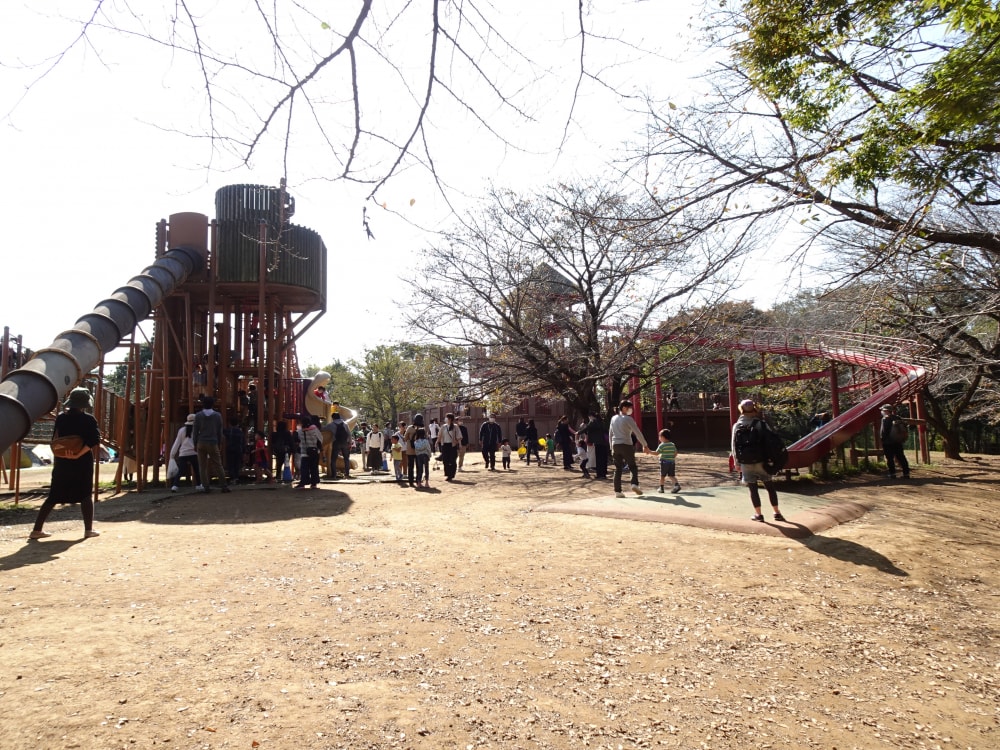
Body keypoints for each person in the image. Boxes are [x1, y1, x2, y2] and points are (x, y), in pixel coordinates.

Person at [29, 387, 102, 540]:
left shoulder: (61, 417)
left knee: (53, 495)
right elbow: (93, 440)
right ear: (85, 404)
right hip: (82, 461)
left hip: (62, 460)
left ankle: (37, 530)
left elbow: (56, 438)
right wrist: (77, 454)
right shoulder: (89, 419)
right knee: (85, 494)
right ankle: (88, 529)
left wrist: (65, 454)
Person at [731, 399, 786, 522]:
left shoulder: (737, 426)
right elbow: (770, 442)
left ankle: (758, 515)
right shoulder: (761, 424)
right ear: (754, 409)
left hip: (746, 462)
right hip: (761, 461)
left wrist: (736, 462)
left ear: (741, 409)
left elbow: (734, 445)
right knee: (770, 486)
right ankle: (777, 512)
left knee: (753, 488)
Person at [609, 400, 654, 497]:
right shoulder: (628, 419)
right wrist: (645, 445)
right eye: (629, 408)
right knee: (632, 466)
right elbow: (637, 432)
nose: (631, 410)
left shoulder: (613, 418)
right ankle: (634, 484)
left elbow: (610, 434)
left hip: (615, 445)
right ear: (624, 408)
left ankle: (618, 491)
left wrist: (611, 447)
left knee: (618, 469)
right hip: (626, 444)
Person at [194, 396, 231, 493]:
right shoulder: (217, 416)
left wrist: (195, 443)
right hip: (213, 442)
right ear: (212, 404)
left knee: (202, 466)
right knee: (218, 464)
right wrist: (219, 443)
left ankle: (206, 487)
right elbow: (219, 431)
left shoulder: (198, 416)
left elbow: (195, 431)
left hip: (201, 442)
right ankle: (224, 485)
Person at [169, 413, 204, 492]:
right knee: (197, 470)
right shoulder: (198, 430)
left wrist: (172, 454)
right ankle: (199, 485)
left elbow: (177, 443)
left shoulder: (181, 430)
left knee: (181, 470)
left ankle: (175, 485)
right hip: (194, 453)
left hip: (183, 453)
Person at [879, 404, 911, 480]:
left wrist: (882, 439)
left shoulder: (885, 419)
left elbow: (884, 431)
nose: (882, 412)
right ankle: (906, 473)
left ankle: (892, 473)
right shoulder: (897, 418)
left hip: (888, 442)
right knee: (901, 457)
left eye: (883, 410)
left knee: (889, 458)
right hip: (898, 441)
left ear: (886, 411)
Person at [296, 415, 321, 489]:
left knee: (304, 468)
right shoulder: (315, 429)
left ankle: (303, 483)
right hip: (314, 451)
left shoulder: (300, 431)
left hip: (304, 452)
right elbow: (320, 438)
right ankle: (314, 484)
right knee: (314, 468)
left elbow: (299, 440)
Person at [325, 412, 352, 479]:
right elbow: (349, 434)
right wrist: (350, 443)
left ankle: (334, 475)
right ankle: (347, 474)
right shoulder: (345, 424)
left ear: (333, 418)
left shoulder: (331, 425)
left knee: (333, 459)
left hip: (336, 442)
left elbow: (323, 429)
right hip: (345, 442)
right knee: (346, 459)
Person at [655, 428, 681, 494]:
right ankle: (676, 485)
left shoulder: (662, 445)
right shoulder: (672, 444)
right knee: (671, 475)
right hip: (672, 462)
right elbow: (676, 453)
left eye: (659, 436)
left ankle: (661, 488)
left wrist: (649, 451)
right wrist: (672, 458)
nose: (659, 438)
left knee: (662, 476)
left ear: (663, 437)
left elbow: (656, 453)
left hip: (664, 462)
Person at [584, 413, 609, 479]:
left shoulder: (594, 423)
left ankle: (600, 474)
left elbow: (587, 429)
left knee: (599, 459)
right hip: (605, 442)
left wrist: (578, 433)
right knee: (603, 458)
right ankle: (603, 473)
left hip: (598, 443)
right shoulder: (602, 422)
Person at [438, 412, 461, 481]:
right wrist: (437, 442)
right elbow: (439, 435)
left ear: (450, 419)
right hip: (445, 445)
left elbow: (458, 436)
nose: (445, 419)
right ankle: (447, 474)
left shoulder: (455, 427)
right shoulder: (443, 426)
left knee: (452, 460)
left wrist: (459, 444)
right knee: (445, 460)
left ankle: (452, 474)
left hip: (452, 445)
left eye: (447, 418)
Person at [222, 416, 245, 484]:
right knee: (237, 464)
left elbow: (222, 432)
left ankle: (232, 478)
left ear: (229, 423)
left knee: (230, 464)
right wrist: (244, 451)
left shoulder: (228, 431)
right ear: (238, 423)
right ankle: (236, 477)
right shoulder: (240, 432)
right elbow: (243, 442)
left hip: (230, 449)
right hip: (238, 449)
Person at [403, 414, 424, 486]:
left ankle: (411, 482)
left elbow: (405, 438)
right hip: (420, 450)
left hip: (410, 450)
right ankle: (418, 480)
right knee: (419, 466)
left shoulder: (410, 428)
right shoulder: (423, 428)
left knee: (410, 466)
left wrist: (410, 440)